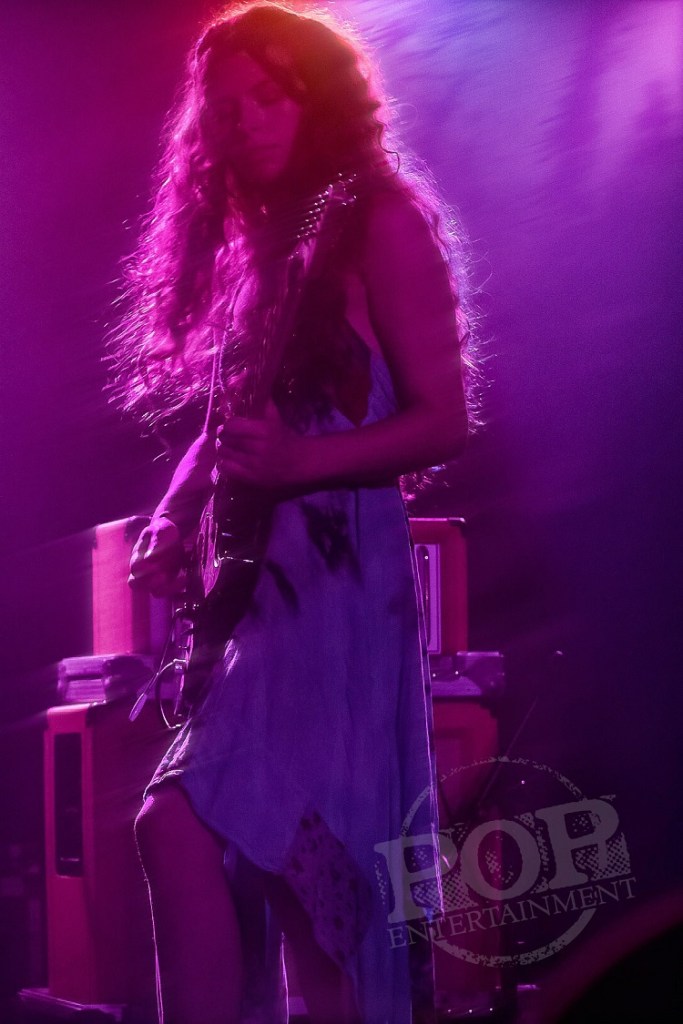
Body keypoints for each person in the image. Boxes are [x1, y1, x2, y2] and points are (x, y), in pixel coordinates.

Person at [111, 3, 475, 1022]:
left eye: (269, 98)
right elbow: (229, 420)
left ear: (319, 100)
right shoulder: (277, 244)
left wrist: (301, 461)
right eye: (224, 109)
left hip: (339, 598)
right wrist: (171, 517)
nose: (245, 124)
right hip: (265, 603)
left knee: (295, 884)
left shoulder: (382, 221)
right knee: (213, 841)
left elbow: (444, 420)